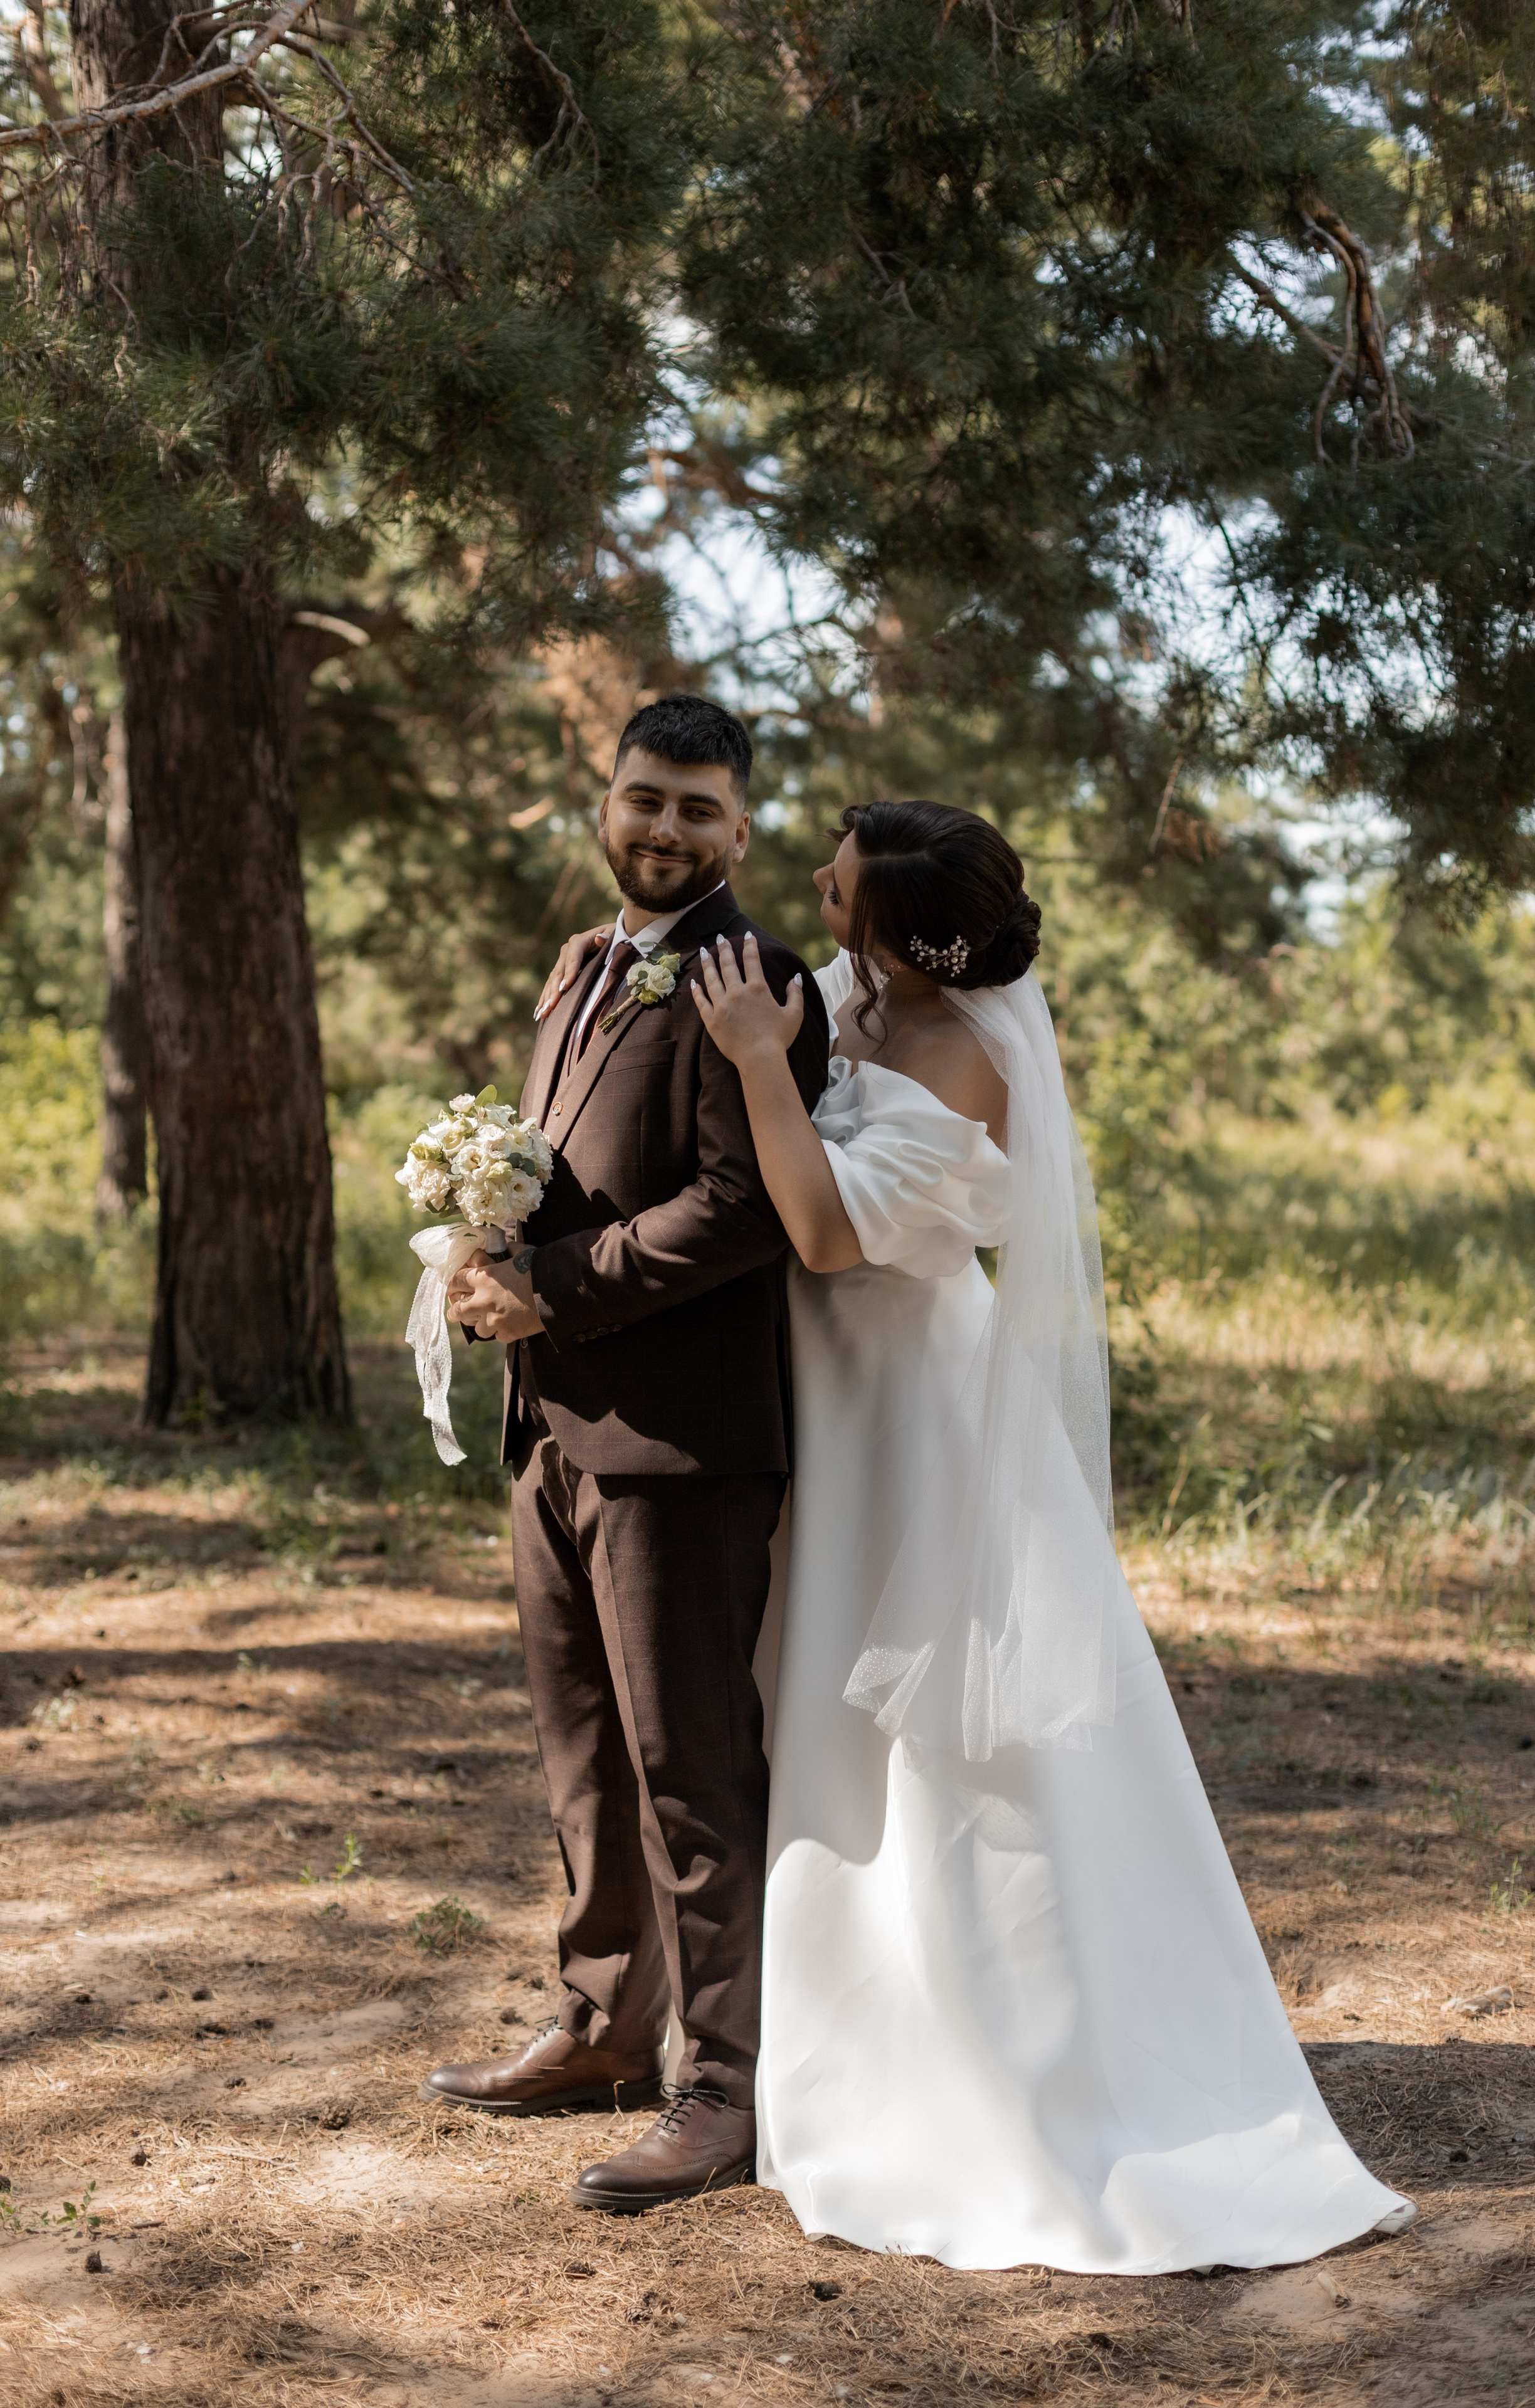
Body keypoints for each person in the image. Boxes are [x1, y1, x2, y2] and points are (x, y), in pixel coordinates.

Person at [675, 797, 1415, 2273]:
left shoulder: (966, 1052)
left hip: (914, 1410)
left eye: (836, 872)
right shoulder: (846, 995)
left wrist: (761, 1065)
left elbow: (825, 1233)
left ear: (879, 918)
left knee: (945, 1737)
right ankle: (815, 2021)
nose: (812, 877)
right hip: (819, 1398)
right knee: (814, 1695)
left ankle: (987, 2054)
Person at [424, 695, 830, 2214]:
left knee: (692, 1770)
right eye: (643, 799)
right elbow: (548, 1166)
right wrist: (482, 1270)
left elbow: (744, 1205)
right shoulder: (582, 967)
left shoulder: (756, 975)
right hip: (552, 1423)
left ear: (741, 829)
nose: (665, 829)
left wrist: (558, 1286)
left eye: (698, 810)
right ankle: (604, 2025)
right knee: (582, 1754)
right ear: (607, 800)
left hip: (682, 1443)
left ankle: (722, 2086)